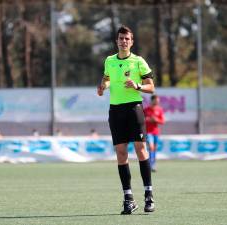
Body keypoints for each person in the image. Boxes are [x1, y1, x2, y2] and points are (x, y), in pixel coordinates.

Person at [97, 25, 155, 214]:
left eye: (127, 39)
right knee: (121, 153)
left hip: (134, 108)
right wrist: (103, 86)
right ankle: (128, 198)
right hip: (115, 110)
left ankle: (149, 195)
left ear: (131, 42)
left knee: (140, 148)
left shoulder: (138, 61)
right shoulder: (109, 61)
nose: (123, 41)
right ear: (117, 41)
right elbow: (106, 78)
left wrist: (137, 85)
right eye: (121, 38)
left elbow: (151, 87)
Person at [144, 95, 165, 172]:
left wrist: (156, 120)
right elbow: (141, 120)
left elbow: (162, 121)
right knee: (151, 147)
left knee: (154, 149)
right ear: (152, 100)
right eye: (155, 101)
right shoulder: (146, 110)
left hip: (156, 132)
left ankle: (153, 164)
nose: (157, 102)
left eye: (158, 101)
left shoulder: (159, 110)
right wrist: (148, 120)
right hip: (148, 132)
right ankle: (150, 165)